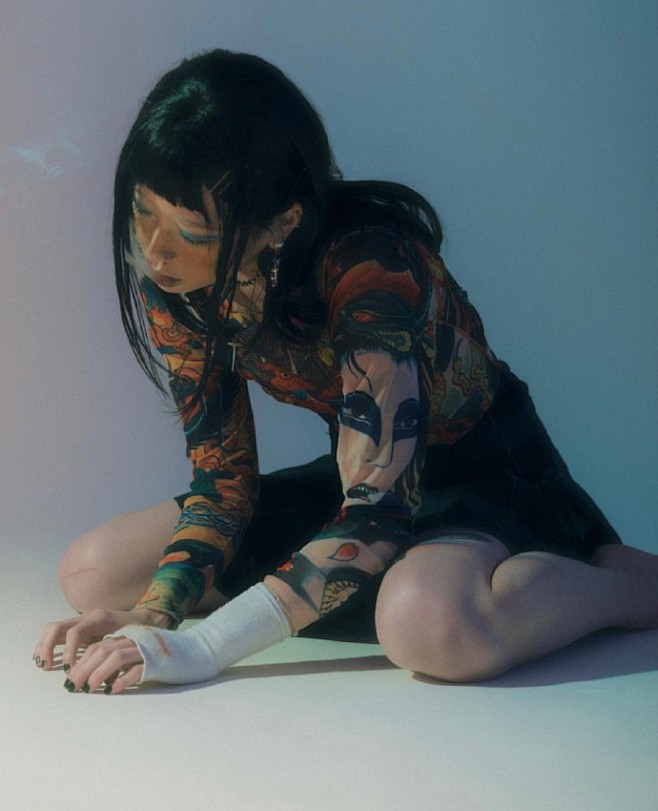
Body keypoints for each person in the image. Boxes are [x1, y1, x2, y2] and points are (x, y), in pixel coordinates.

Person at [34, 49, 658, 694]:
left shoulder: (373, 274)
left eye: (192, 231)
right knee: (95, 572)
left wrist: (205, 645)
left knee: (425, 629)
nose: (155, 251)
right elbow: (223, 479)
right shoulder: (177, 283)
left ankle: (620, 585)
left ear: (282, 222)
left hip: (486, 479)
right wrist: (154, 614)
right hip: (361, 477)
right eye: (143, 213)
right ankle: (405, 587)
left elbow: (378, 512)